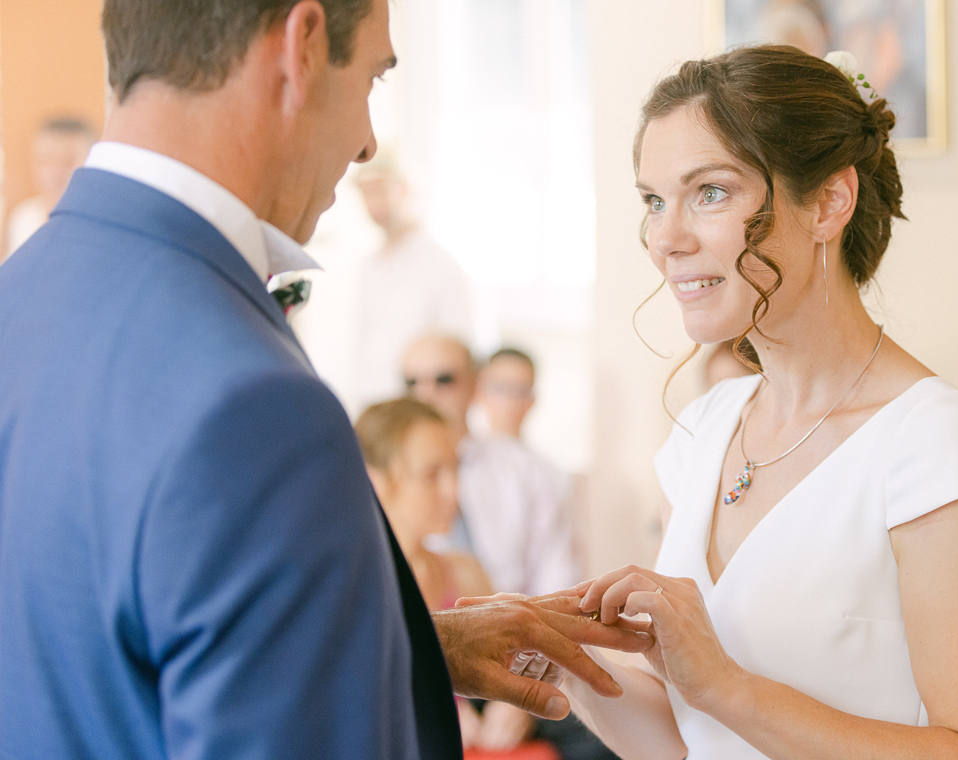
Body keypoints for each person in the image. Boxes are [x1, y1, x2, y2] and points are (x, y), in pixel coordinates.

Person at [0, 2, 649, 758]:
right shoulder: (256, 407)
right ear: (302, 45)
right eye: (373, 75)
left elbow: (109, 642)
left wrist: (395, 643)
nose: (369, 142)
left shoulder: (24, 288)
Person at [564, 45, 958, 759]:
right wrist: (555, 662)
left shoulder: (931, 438)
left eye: (710, 193)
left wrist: (727, 685)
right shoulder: (703, 429)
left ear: (829, 202)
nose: (665, 238)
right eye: (654, 201)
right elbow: (693, 738)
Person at [356, 398, 552, 756]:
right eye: (432, 475)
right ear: (375, 481)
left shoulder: (465, 573)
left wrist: (513, 705)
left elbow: (520, 664)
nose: (453, 492)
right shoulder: (351, 590)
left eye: (455, 470)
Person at [403, 334, 580, 597]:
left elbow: (558, 577)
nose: (425, 394)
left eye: (444, 380)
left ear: (476, 385)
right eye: (411, 382)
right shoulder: (387, 479)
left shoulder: (527, 470)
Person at [335, 155, 496, 418]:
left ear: (405, 189)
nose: (374, 203)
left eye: (381, 190)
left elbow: (463, 355)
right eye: (366, 193)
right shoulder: (369, 266)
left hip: (420, 417)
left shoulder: (440, 266)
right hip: (374, 414)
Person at [4, 116, 96, 259]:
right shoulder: (23, 217)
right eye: (46, 158)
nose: (56, 172)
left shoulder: (97, 225)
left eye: (68, 160)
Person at [476, 347, 538, 439]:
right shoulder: (459, 450)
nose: (511, 402)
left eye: (522, 391)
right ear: (479, 392)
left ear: (532, 399)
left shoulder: (537, 453)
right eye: (500, 389)